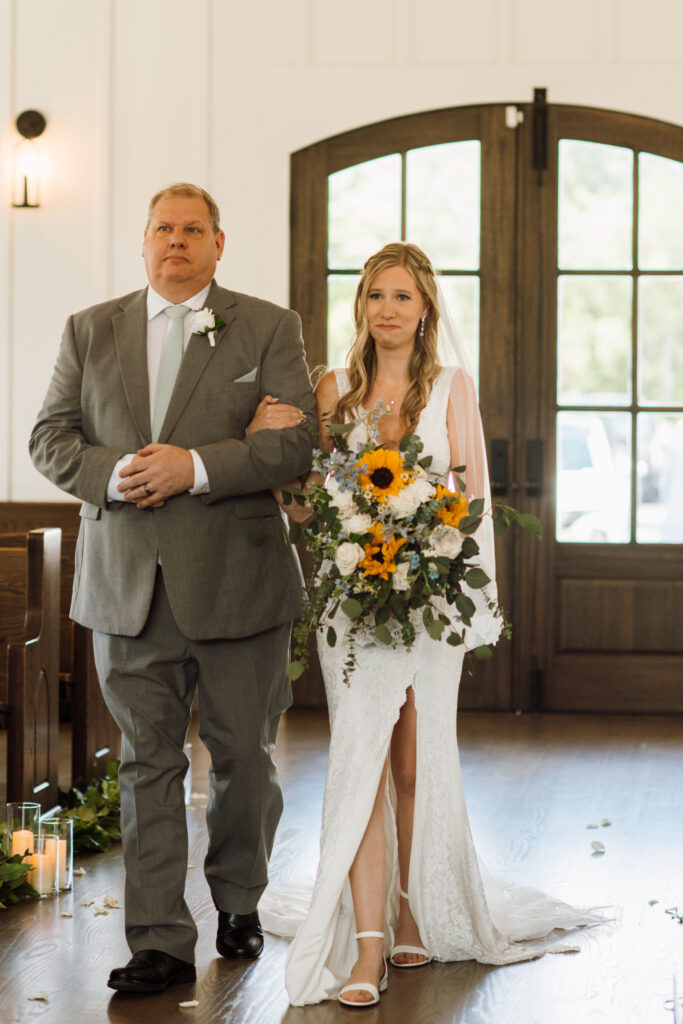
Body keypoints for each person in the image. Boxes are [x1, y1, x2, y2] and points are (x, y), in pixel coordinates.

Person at [251, 242, 602, 1007]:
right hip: (351, 602)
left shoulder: (450, 387)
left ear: (425, 309)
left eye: (402, 297)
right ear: (361, 305)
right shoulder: (332, 389)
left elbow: (468, 504)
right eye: (375, 294)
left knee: (412, 764)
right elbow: (309, 504)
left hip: (429, 600)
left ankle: (416, 906)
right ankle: (368, 942)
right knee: (360, 764)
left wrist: (465, 600)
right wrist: (272, 456)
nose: (386, 309)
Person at [29, 183, 315, 994]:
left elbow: (297, 446)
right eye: (164, 228)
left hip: (241, 583)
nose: (177, 241)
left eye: (194, 230)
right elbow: (50, 438)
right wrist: (117, 474)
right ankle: (156, 940)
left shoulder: (268, 326)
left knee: (243, 761)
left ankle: (240, 900)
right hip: (125, 587)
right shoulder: (90, 329)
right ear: (144, 239)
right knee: (145, 764)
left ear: (219, 244)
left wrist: (194, 466)